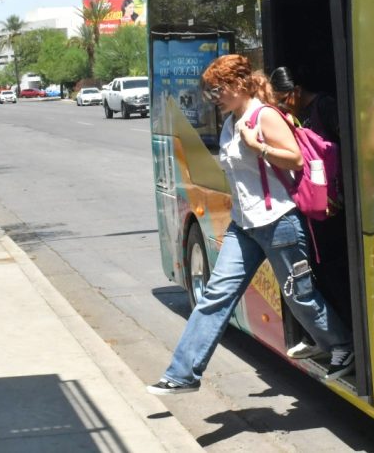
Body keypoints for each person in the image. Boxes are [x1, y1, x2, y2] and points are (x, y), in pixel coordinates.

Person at [149, 55, 354, 395]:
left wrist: (257, 146)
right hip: (244, 226)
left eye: (217, 90)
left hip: (279, 222)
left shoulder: (265, 116)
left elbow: (296, 158)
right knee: (216, 294)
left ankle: (342, 345)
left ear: (238, 84)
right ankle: (182, 374)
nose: (214, 98)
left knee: (299, 295)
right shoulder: (233, 121)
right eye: (210, 92)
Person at [268, 66, 352, 349]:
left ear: (298, 90)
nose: (281, 104)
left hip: (332, 203)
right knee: (319, 267)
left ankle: (346, 335)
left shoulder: (324, 106)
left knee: (332, 266)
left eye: (284, 98)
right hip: (311, 203)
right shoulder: (295, 114)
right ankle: (327, 334)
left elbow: (346, 146)